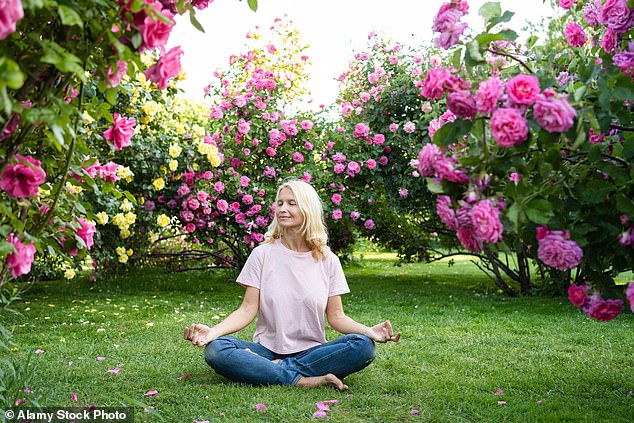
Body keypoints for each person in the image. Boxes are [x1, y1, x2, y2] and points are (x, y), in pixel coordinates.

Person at [184, 179, 400, 390]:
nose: (282, 209)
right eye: (279, 203)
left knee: (363, 346)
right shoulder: (262, 254)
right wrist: (214, 332)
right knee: (217, 349)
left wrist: (369, 331)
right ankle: (303, 379)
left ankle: (276, 370)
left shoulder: (328, 260)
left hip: (313, 352)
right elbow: (247, 309)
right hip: (266, 350)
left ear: (308, 209)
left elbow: (337, 317)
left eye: (291, 203)